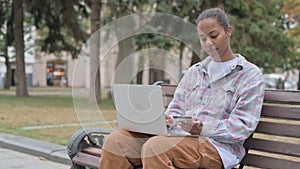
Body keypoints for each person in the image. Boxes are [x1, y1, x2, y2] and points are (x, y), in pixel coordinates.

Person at [99, 7, 265, 169]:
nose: (209, 43)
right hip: (177, 138)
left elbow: (243, 126)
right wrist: (167, 120)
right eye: (202, 38)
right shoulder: (195, 71)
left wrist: (203, 128)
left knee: (156, 147)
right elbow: (176, 108)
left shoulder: (249, 75)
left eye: (214, 35)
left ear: (228, 31)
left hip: (217, 148)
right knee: (116, 142)